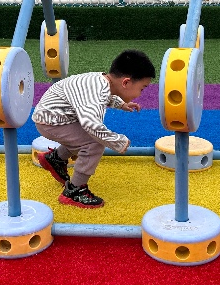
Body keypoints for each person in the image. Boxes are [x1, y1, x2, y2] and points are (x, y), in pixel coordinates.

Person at [32, 49, 156, 209]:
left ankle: (55, 159)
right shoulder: (98, 90)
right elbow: (91, 125)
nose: (140, 93)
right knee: (94, 142)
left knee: (84, 137)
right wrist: (117, 141)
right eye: (142, 88)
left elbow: (100, 97)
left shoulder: (101, 81)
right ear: (125, 82)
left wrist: (121, 104)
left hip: (56, 115)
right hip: (51, 121)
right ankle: (75, 191)